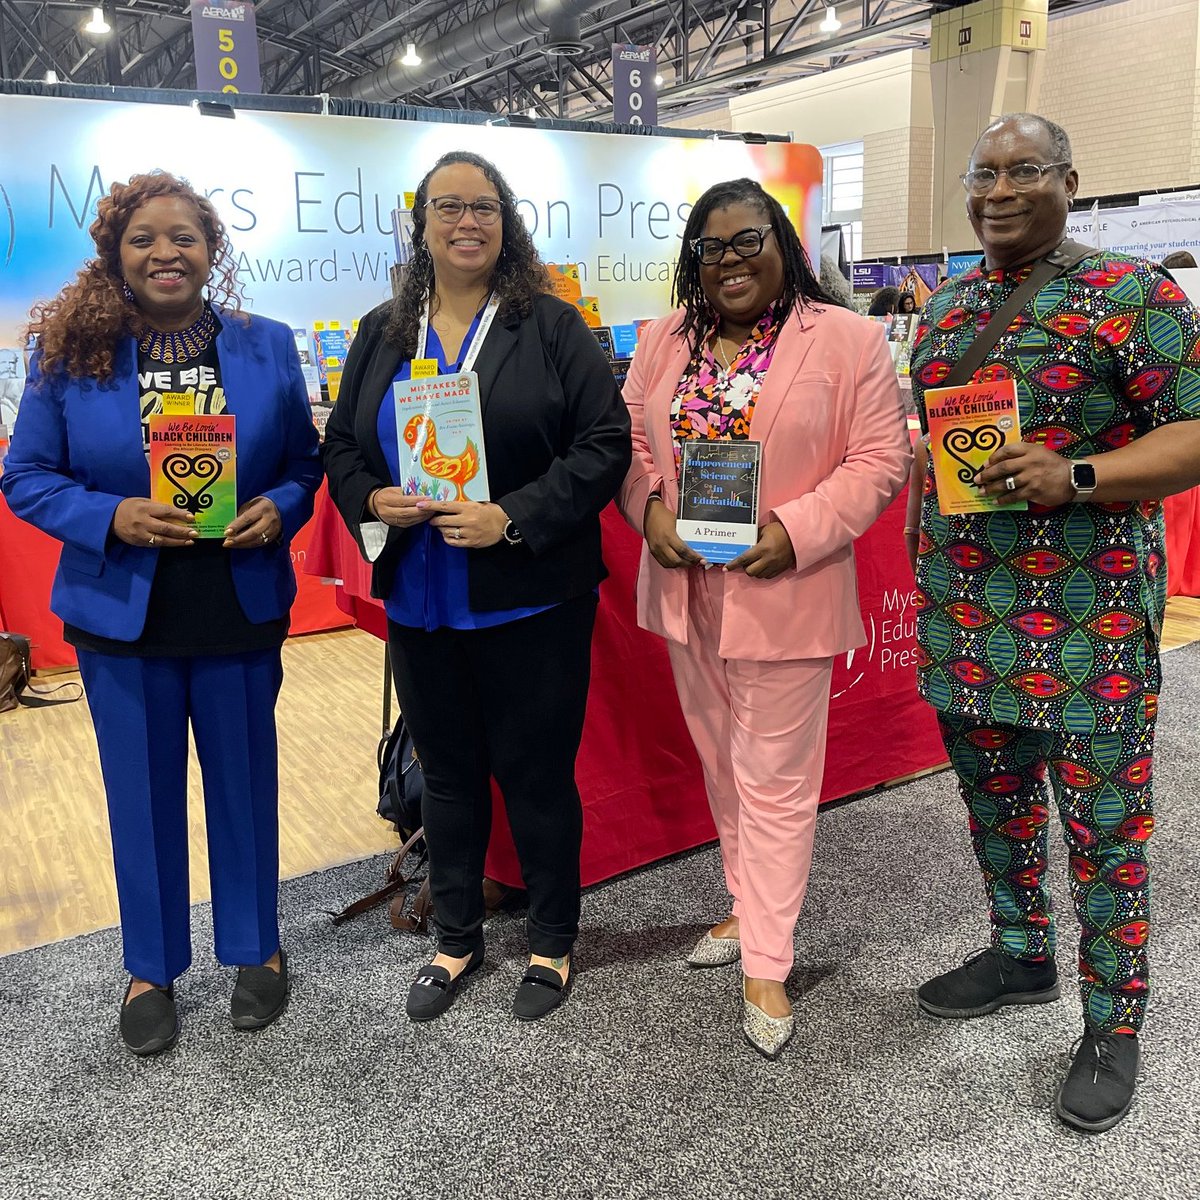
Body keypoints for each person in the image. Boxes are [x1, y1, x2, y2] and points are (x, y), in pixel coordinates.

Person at [907, 113, 1200, 1133]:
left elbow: (1196, 432)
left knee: (1106, 833)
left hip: (1090, 630)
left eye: (1022, 170)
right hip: (965, 616)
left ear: (1069, 180)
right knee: (996, 811)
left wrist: (1077, 474)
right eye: (981, 173)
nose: (997, 189)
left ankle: (1115, 1023)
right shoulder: (943, 308)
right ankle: (1022, 953)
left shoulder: (1136, 296)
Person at [1, 171, 321, 1055]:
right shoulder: (71, 355)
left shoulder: (266, 344)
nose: (164, 252)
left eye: (183, 236)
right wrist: (110, 515)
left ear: (211, 251)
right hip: (122, 613)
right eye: (143, 238)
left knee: (244, 783)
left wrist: (283, 508)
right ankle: (151, 966)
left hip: (236, 600)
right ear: (116, 255)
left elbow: (304, 460)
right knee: (139, 797)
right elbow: (25, 476)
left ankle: (258, 948)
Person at [322, 150, 630, 1023]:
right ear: (420, 222)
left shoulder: (552, 327)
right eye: (449, 207)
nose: (468, 223)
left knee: (536, 776)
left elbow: (604, 445)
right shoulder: (384, 330)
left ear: (507, 222)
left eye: (485, 208)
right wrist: (373, 499)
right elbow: (340, 447)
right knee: (449, 778)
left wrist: (514, 515)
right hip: (422, 597)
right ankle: (456, 940)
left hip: (530, 595)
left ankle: (553, 942)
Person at [618, 178, 910, 1058]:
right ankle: (748, 907)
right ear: (692, 262)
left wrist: (799, 530)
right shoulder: (662, 339)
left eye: (750, 241)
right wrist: (650, 512)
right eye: (712, 248)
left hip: (784, 585)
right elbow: (634, 446)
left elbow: (880, 456)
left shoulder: (848, 338)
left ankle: (769, 960)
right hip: (688, 586)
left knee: (777, 779)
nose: (731, 261)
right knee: (722, 764)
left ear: (784, 244)